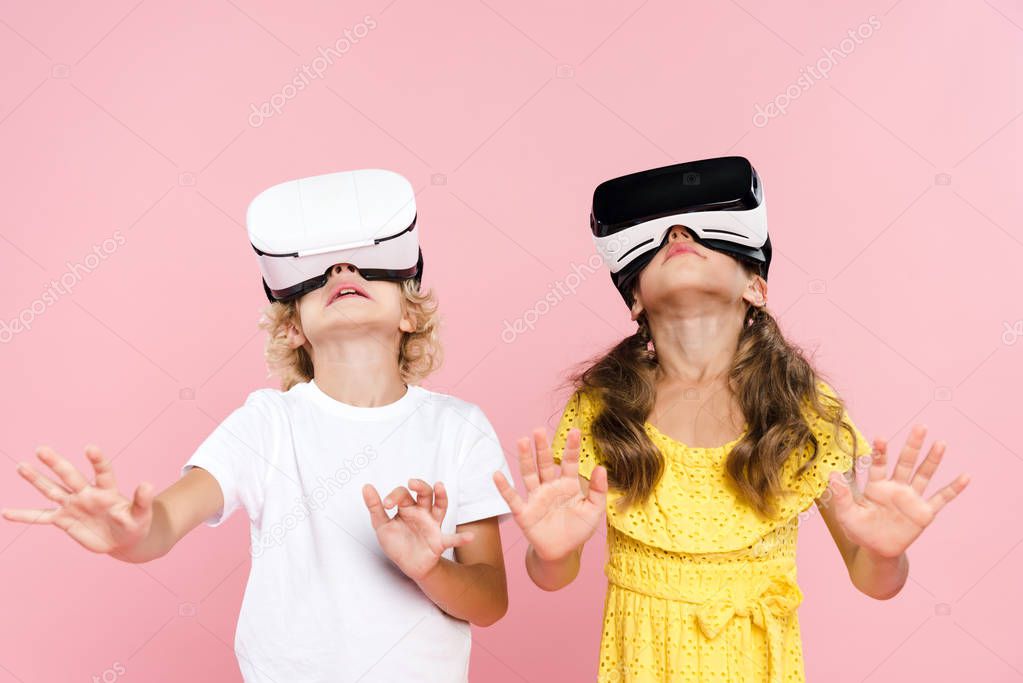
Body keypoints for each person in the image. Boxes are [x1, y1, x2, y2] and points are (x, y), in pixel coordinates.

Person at [3, 169, 514, 682]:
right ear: (293, 328)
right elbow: (162, 524)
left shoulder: (458, 428)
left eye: (364, 263)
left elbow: (489, 602)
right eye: (320, 272)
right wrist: (129, 536)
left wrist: (428, 567)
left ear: (409, 314)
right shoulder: (266, 425)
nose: (341, 268)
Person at [493, 157, 970, 682]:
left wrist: (883, 553)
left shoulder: (803, 407)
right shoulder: (603, 407)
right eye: (659, 236)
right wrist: (549, 553)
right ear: (634, 299)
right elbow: (552, 578)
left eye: (701, 230)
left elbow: (874, 581)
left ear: (756, 287)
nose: (678, 232)